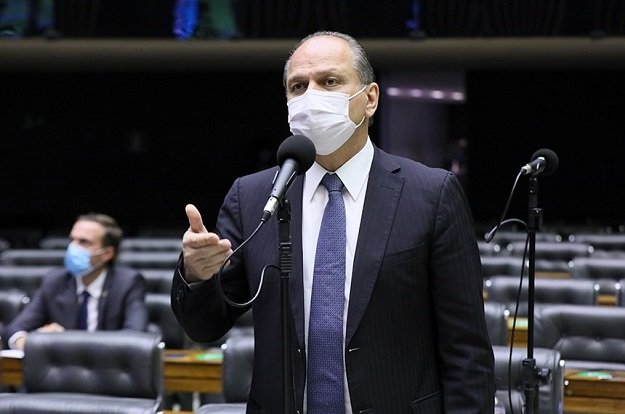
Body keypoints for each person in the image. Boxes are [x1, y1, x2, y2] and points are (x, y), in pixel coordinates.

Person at [171, 31, 495, 413]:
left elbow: (466, 350)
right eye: (298, 87)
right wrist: (197, 275)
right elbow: (205, 326)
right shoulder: (253, 196)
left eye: (329, 82)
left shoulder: (431, 193)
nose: (311, 97)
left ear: (370, 99)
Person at [3, 213, 148, 350]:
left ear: (107, 253)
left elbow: (135, 335)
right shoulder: (54, 281)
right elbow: (15, 330)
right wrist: (32, 341)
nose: (73, 248)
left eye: (84, 242)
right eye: (72, 240)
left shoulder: (128, 283)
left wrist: (69, 343)